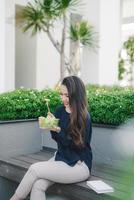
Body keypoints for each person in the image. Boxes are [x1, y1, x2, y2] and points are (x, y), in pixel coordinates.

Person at [10, 75, 92, 200]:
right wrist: (52, 127)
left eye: (67, 95)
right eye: (61, 94)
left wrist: (59, 130)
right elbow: (58, 138)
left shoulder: (84, 117)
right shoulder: (59, 111)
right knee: (38, 185)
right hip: (61, 157)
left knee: (34, 169)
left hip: (78, 165)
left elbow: (78, 145)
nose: (63, 98)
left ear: (76, 96)